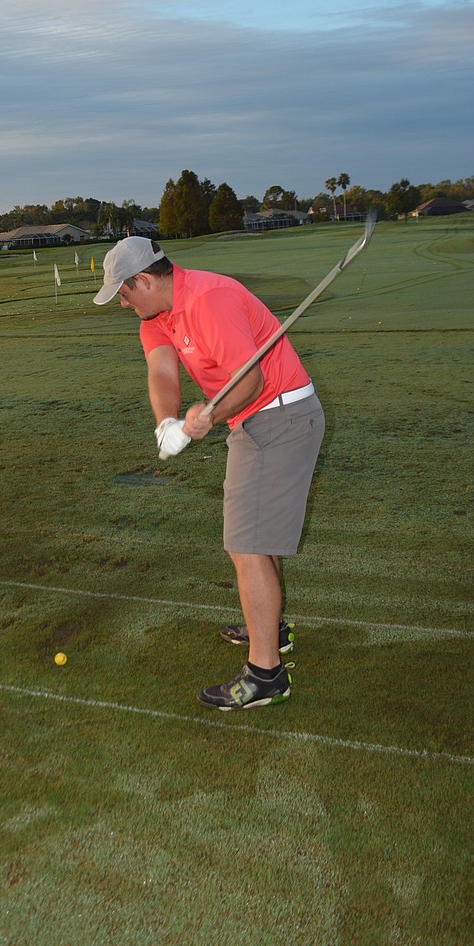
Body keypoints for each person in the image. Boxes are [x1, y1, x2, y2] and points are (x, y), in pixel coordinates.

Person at [94, 235, 324, 710]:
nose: (120, 302)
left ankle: (266, 675)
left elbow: (252, 378)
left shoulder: (208, 300)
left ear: (142, 280)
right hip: (258, 419)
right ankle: (272, 629)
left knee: (245, 542)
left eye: (122, 291)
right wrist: (166, 423)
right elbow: (161, 373)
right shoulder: (156, 315)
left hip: (279, 415)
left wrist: (208, 419)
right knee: (254, 536)